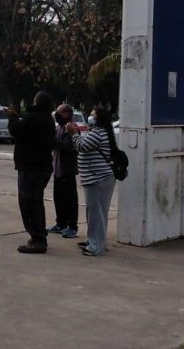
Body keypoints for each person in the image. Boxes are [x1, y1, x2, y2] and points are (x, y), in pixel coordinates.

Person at [7, 91, 56, 254]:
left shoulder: (35, 118)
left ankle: (37, 238)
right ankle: (39, 234)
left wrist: (12, 117)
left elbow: (15, 130)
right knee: (36, 202)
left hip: (31, 168)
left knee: (28, 203)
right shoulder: (47, 119)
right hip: (40, 166)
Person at [71, 106, 116, 257]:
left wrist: (74, 134)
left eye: (93, 114)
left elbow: (81, 146)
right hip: (96, 178)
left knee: (97, 214)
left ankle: (96, 246)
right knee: (94, 213)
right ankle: (93, 240)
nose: (90, 117)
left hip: (98, 179)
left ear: (99, 118)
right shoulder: (100, 132)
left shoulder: (98, 133)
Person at [48, 104, 80, 239]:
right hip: (57, 170)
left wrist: (55, 141)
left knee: (70, 200)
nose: (57, 114)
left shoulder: (71, 128)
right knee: (58, 199)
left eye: (60, 112)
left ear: (67, 113)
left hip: (67, 170)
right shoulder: (58, 128)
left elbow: (69, 147)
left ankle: (72, 226)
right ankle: (60, 224)